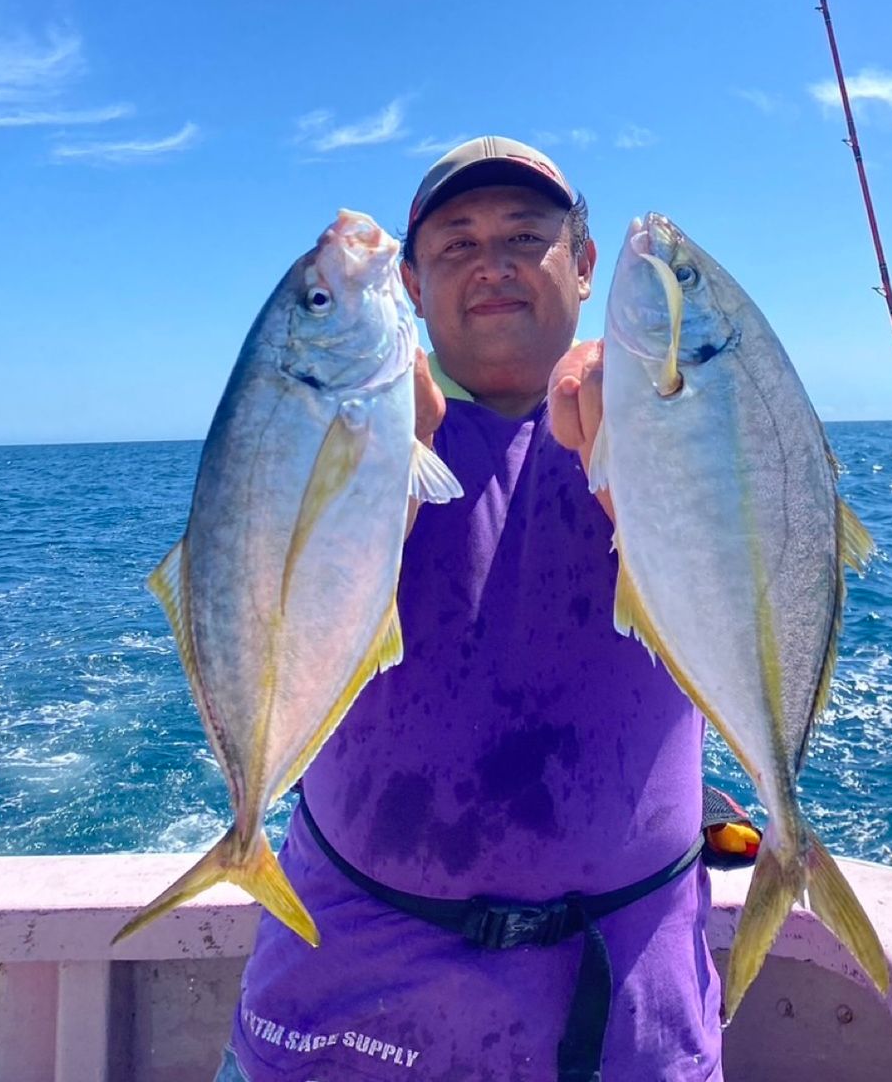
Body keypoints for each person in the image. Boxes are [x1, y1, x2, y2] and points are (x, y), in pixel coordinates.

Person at [216, 136, 725, 1082]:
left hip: (627, 1018)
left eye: (524, 235)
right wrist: (367, 472)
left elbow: (766, 602)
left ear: (582, 265)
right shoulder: (338, 430)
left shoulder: (687, 420)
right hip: (336, 1005)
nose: (490, 263)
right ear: (409, 285)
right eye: (454, 244)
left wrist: (655, 460)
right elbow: (245, 596)